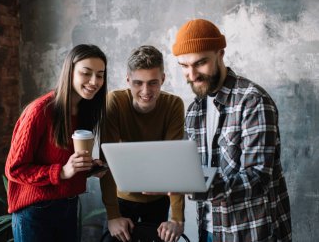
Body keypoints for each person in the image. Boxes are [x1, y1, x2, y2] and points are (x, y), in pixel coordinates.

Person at [172, 19, 292, 241]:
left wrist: (202, 188)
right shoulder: (194, 110)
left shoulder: (253, 101)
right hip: (209, 230)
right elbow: (196, 170)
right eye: (184, 66)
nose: (192, 74)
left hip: (250, 232)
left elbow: (258, 178)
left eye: (200, 63)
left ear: (221, 53)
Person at [5, 44, 108, 242]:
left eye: (100, 75)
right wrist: (60, 172)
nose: (94, 81)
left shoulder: (86, 111)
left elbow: (66, 163)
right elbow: (15, 169)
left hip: (69, 207)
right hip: (35, 212)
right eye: (86, 73)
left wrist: (88, 168)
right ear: (70, 72)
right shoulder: (39, 111)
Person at [100, 45, 185, 242]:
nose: (146, 91)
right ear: (128, 80)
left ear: (163, 79)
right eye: (138, 83)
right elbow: (107, 163)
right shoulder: (114, 102)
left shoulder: (173, 105)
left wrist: (177, 218)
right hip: (121, 200)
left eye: (153, 83)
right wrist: (113, 216)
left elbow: (174, 161)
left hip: (159, 200)